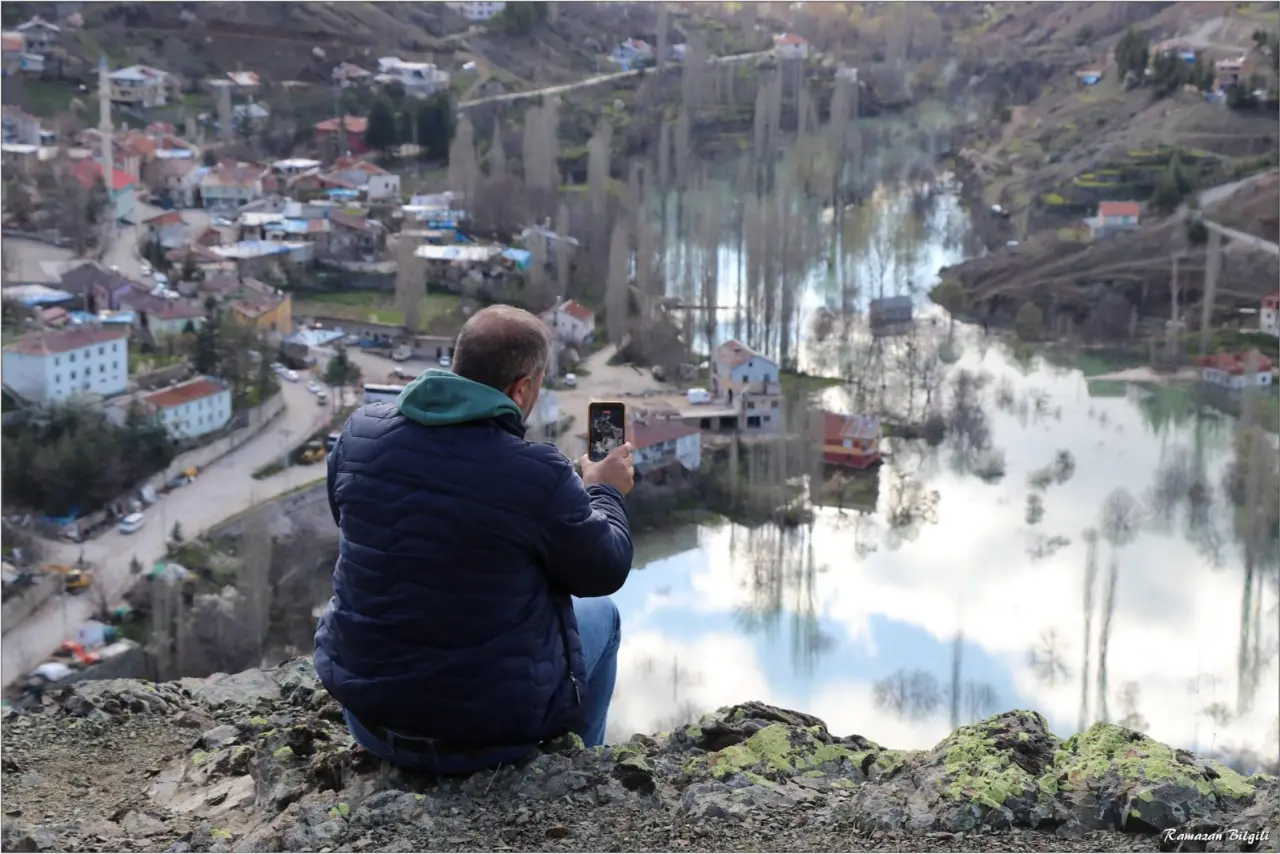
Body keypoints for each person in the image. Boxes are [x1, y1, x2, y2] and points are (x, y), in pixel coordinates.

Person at [315, 305, 635, 774]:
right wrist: (604, 490)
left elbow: (350, 518)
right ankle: (578, 770)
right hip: (488, 738)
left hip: (371, 721)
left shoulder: (360, 434)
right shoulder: (536, 474)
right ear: (523, 387)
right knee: (602, 616)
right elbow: (605, 569)